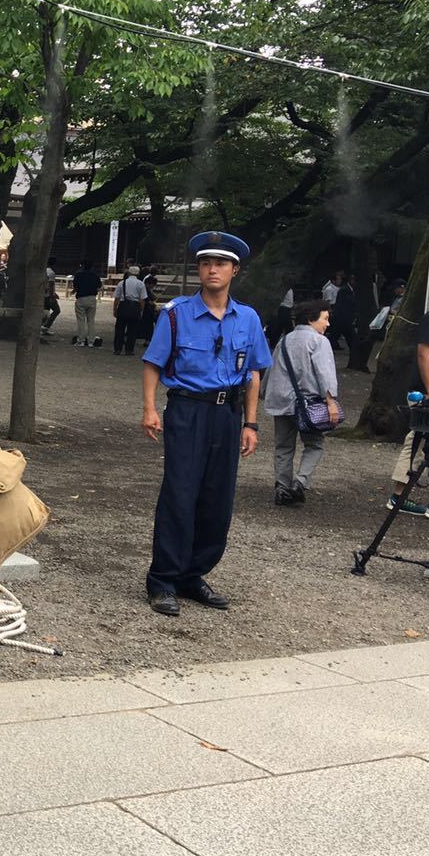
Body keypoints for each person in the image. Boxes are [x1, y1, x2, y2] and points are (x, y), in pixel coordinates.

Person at [140, 231, 270, 616]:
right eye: (206, 263)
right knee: (180, 494)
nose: (213, 270)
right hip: (187, 411)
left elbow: (254, 374)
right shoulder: (176, 314)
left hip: (228, 416)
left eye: (221, 264)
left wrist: (251, 423)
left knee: (218, 498)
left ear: (234, 270)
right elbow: (152, 363)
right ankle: (163, 579)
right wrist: (149, 409)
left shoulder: (247, 317)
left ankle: (193, 575)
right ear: (199, 269)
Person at [264, 300, 339, 506]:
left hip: (281, 401)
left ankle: (281, 487)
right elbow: (325, 373)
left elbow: (272, 368)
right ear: (311, 319)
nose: (328, 324)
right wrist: (331, 401)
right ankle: (300, 483)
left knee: (283, 446)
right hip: (309, 404)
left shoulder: (285, 339)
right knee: (314, 444)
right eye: (325, 318)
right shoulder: (319, 341)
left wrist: (264, 391)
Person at [387, 298, 429, 524]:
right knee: (418, 441)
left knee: (428, 444)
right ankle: (399, 496)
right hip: (427, 390)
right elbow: (423, 353)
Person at [112, 265, 147, 355]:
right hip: (135, 307)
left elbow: (117, 298)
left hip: (123, 306)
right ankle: (129, 350)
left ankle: (117, 349)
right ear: (138, 273)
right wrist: (141, 310)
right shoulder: (141, 284)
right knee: (132, 330)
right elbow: (142, 299)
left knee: (120, 329)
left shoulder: (122, 283)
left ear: (129, 273)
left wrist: (115, 309)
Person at [71, 260, 102, 346]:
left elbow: (75, 286)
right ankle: (91, 341)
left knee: (81, 320)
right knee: (91, 320)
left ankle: (81, 340)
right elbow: (99, 287)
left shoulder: (78, 274)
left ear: (82, 266)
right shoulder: (95, 275)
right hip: (92, 298)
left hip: (81, 297)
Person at [41, 257, 61, 334]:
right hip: (48, 295)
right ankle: (45, 326)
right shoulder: (51, 273)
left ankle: (43, 328)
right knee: (56, 310)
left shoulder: (43, 271)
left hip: (43, 294)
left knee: (45, 311)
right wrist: (52, 296)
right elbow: (51, 285)